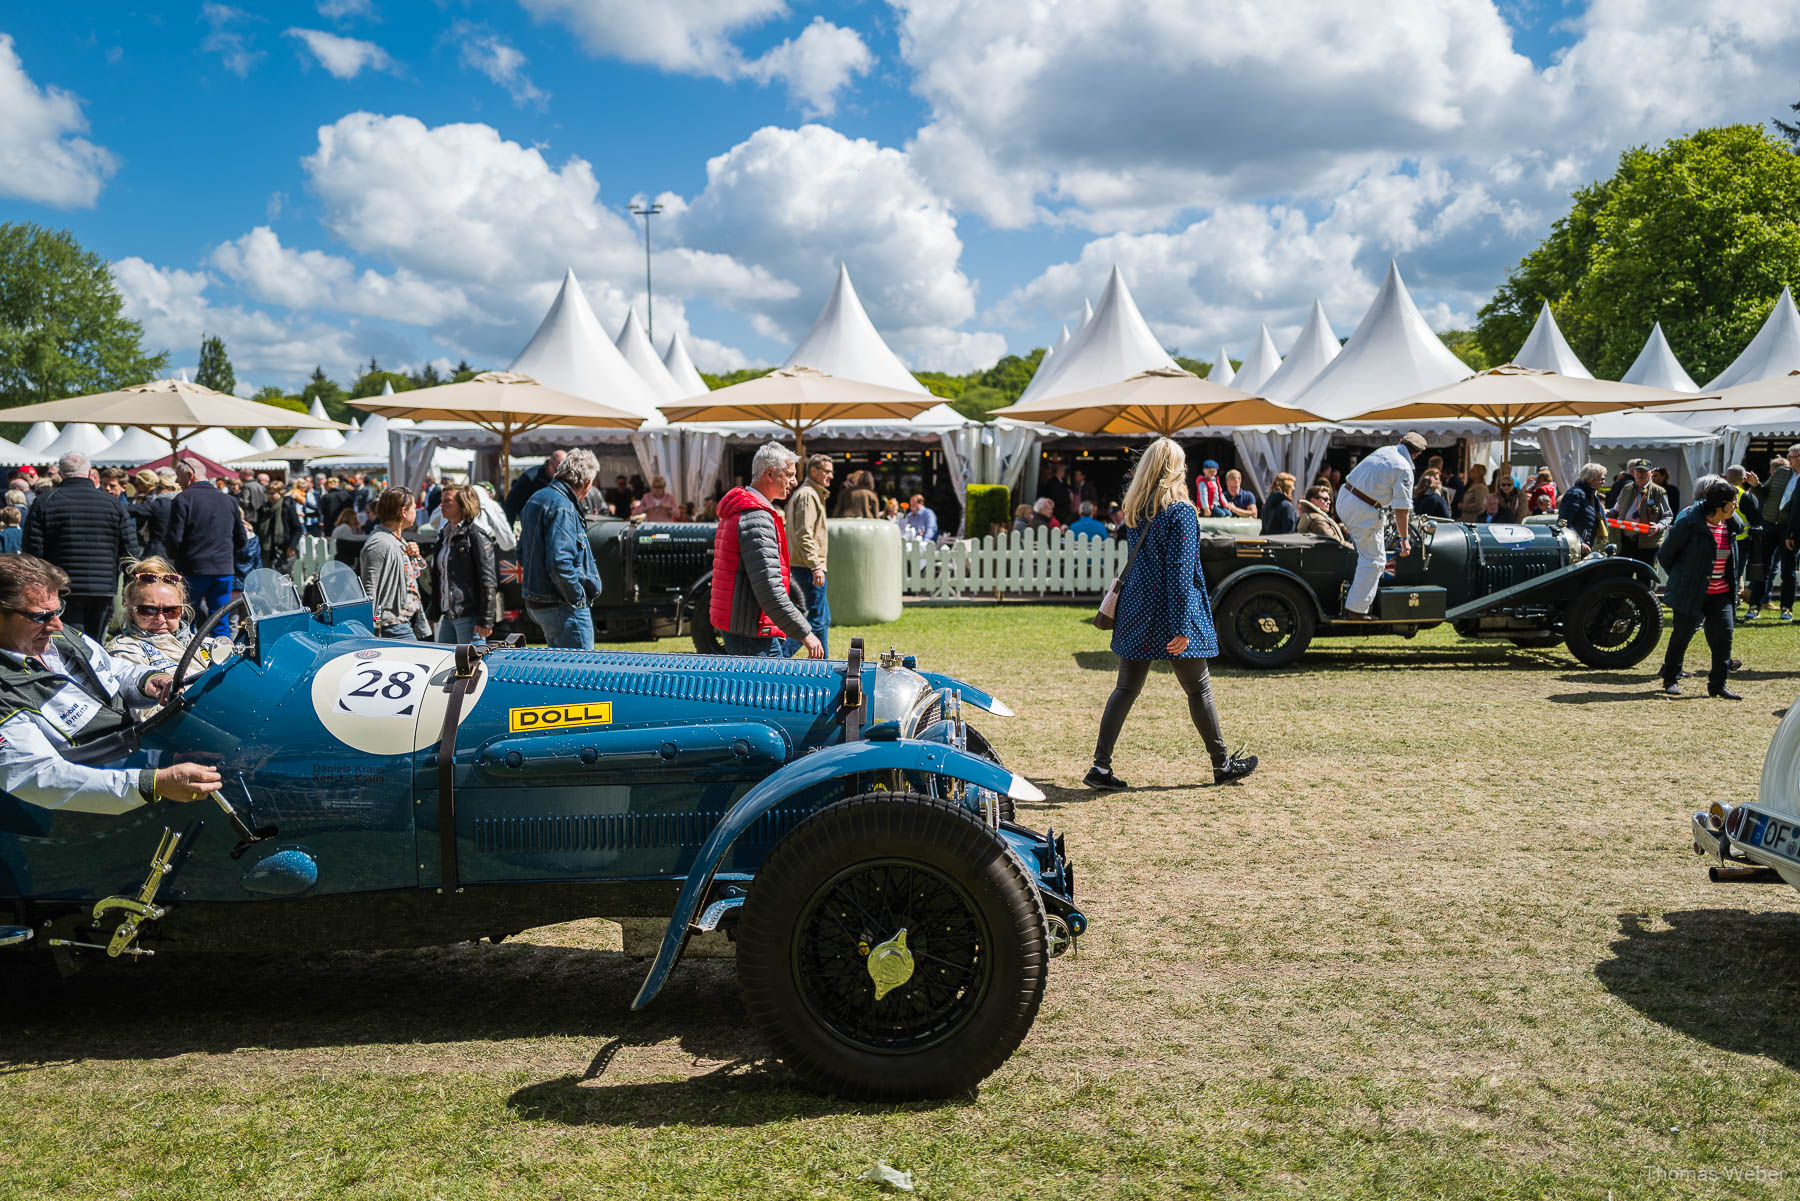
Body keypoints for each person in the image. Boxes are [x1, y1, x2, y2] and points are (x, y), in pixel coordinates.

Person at [1084, 438, 1256, 792]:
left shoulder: (1136, 509)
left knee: (1125, 689)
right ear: (1175, 469)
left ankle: (1100, 767)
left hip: (1136, 607)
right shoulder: (1180, 512)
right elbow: (1178, 571)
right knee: (1199, 688)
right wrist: (1182, 626)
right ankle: (1222, 764)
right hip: (1170, 611)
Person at [0, 554, 220, 813]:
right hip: (101, 786)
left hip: (136, 751)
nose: (57, 624)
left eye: (58, 610)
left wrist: (148, 680)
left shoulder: (55, 637)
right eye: (41, 616)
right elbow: (37, 777)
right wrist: (153, 783)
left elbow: (111, 669)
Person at [709, 443, 821, 659]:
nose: (795, 482)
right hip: (751, 631)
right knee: (772, 690)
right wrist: (805, 633)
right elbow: (769, 588)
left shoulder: (742, 509)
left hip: (741, 625)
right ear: (770, 474)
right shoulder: (756, 517)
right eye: (789, 475)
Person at [21, 451, 140, 639]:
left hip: (63, 586)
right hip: (102, 586)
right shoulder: (113, 504)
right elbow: (129, 548)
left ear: (60, 473)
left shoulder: (45, 502)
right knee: (94, 642)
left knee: (69, 640)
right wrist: (130, 583)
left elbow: (33, 550)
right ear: (90, 473)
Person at [105, 558, 230, 718]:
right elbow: (146, 716)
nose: (161, 619)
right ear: (130, 608)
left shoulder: (205, 643)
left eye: (171, 610)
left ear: (182, 609)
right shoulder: (124, 650)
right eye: (148, 610)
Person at [1658, 481, 1744, 699]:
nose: (1736, 506)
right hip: (1692, 591)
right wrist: (1683, 578)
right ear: (1721, 505)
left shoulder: (1730, 524)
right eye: (1733, 502)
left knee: (1724, 636)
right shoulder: (1689, 522)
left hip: (1721, 593)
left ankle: (1718, 685)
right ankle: (1670, 678)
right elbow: (1666, 555)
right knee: (1681, 636)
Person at [519, 449, 602, 650]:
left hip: (542, 602)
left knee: (561, 675)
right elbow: (560, 563)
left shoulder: (537, 498)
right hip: (562, 605)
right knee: (581, 677)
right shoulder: (562, 506)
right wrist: (577, 598)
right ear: (587, 482)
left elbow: (521, 551)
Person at [1336, 432, 1425, 620]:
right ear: (1417, 454)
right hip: (1363, 509)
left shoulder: (1384, 451)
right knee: (1375, 561)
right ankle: (1356, 610)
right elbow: (1401, 509)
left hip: (1345, 497)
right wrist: (1404, 539)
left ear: (1401, 442)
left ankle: (1356, 599)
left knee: (1367, 554)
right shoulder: (1404, 468)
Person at [164, 458, 245, 637]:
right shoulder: (229, 500)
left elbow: (173, 539)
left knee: (186, 620)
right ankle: (220, 661)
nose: (177, 482)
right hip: (222, 569)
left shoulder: (183, 499)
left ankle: (188, 661)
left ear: (190, 475)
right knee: (220, 620)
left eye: (178, 477)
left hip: (192, 569)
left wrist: (172, 557)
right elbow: (241, 539)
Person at [357, 488, 430, 641]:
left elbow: (411, 577)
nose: (415, 512)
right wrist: (372, 630)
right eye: (414, 508)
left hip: (403, 622)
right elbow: (370, 587)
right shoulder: (380, 543)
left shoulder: (396, 540)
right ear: (404, 512)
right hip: (391, 625)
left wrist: (414, 556)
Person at [429, 485, 497, 645]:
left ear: (463, 504)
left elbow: (488, 579)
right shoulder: (444, 535)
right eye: (442, 501)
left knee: (470, 667)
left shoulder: (476, 535)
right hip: (448, 615)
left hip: (469, 616)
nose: (441, 505)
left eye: (447, 501)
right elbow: (439, 577)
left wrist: (486, 618)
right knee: (445, 665)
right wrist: (434, 610)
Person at [784, 454, 833, 656]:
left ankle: (824, 665)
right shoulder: (808, 495)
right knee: (814, 621)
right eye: (827, 471)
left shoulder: (811, 494)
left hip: (806, 566)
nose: (831, 476)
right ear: (813, 471)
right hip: (807, 568)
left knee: (822, 620)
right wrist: (815, 566)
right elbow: (804, 533)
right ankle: (779, 656)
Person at [1752, 447, 1800, 621]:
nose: (1788, 459)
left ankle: (1786, 608)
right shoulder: (1781, 473)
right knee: (1762, 566)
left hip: (1790, 528)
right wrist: (1756, 486)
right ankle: (1754, 606)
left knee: (1788, 569)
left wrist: (1793, 534)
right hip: (1770, 523)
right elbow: (1765, 493)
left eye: (1791, 457)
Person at [1606, 458, 1672, 566]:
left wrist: (1658, 526)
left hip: (1648, 544)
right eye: (1638, 471)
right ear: (1634, 472)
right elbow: (1615, 510)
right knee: (1624, 573)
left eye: (1644, 472)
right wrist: (1602, 517)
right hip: (1626, 540)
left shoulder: (1659, 491)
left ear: (1651, 473)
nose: (1640, 475)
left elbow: (1668, 516)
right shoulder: (1627, 488)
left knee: (1644, 577)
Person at [503, 449, 567, 524]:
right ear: (550, 464)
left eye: (564, 472)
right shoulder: (529, 478)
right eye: (557, 471)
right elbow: (511, 503)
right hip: (532, 522)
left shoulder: (564, 478)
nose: (561, 476)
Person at [1558, 464, 1608, 546]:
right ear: (1589, 479)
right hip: (1575, 546)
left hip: (1587, 544)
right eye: (1601, 479)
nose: (1603, 482)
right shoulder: (1575, 494)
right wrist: (1579, 542)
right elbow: (1563, 523)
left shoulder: (1592, 496)